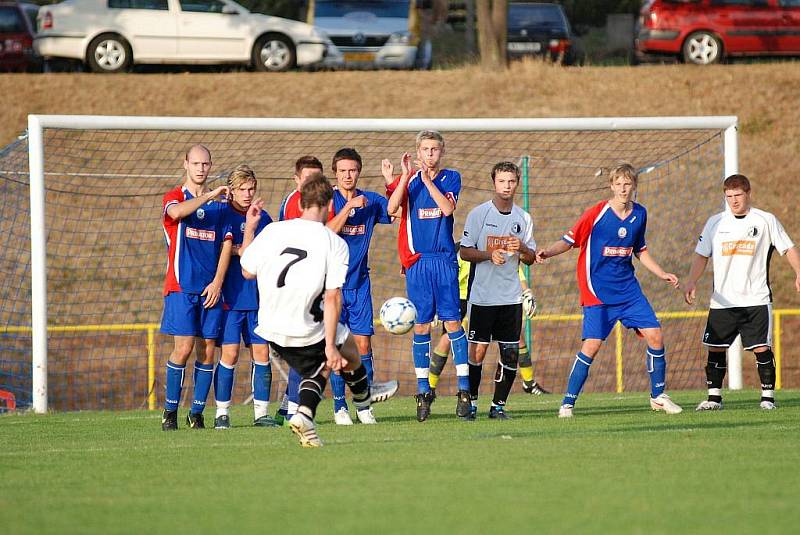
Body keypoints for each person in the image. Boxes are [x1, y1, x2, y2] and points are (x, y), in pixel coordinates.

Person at [536, 163, 683, 418]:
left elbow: (640, 250)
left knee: (656, 335)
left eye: (628, 184)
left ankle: (658, 396)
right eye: (619, 184)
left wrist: (662, 274)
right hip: (597, 292)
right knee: (591, 347)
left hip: (628, 291)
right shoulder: (596, 213)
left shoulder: (640, 214)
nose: (623, 189)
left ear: (634, 185)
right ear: (611, 186)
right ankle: (567, 404)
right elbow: (569, 241)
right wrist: (547, 252)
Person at [240, 173, 373, 447]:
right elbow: (334, 297)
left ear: (300, 202)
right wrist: (330, 346)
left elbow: (246, 271)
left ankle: (306, 415)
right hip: (304, 329)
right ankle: (362, 394)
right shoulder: (334, 242)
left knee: (319, 369)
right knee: (342, 350)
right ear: (328, 205)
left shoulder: (273, 230)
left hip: (269, 329)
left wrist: (249, 228)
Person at [683, 174, 800, 411]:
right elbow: (701, 255)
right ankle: (714, 398)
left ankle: (767, 398)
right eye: (729, 196)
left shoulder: (766, 220)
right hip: (722, 301)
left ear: (748, 193)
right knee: (714, 348)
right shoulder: (715, 222)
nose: (734, 201)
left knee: (761, 348)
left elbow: (788, 248)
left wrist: (798, 272)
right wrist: (691, 281)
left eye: (738, 195)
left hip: (755, 299)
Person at [384, 130, 470, 422]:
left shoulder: (451, 178)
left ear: (441, 152)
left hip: (444, 260)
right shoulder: (409, 182)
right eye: (425, 149)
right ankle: (423, 393)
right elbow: (392, 207)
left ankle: (464, 390)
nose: (430, 154)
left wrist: (428, 182)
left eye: (434, 149)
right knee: (421, 327)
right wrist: (407, 176)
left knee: (452, 322)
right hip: (418, 263)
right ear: (417, 152)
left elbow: (447, 208)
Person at [160, 144, 232, 431]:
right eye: (196, 163)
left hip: (210, 289)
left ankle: (197, 413)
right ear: (185, 164)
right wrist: (209, 196)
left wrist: (217, 282)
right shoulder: (176, 196)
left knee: (208, 350)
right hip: (181, 287)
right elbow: (176, 214)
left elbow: (226, 246)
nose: (201, 169)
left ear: (210, 166)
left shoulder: (219, 208)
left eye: (206, 164)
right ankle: (169, 412)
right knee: (184, 348)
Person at [326, 147, 398, 425]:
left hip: (359, 285)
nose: (348, 175)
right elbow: (324, 232)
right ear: (335, 173)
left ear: (359, 172)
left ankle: (364, 406)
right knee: (335, 346)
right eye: (342, 170)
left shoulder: (370, 200)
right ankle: (339, 407)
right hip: (332, 288)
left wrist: (392, 181)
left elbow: (395, 210)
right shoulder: (328, 200)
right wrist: (347, 208)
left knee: (363, 345)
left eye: (352, 170)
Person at [459, 162, 537, 420]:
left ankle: (498, 406)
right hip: (482, 297)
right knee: (478, 352)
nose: (507, 186)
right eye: (502, 181)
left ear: (517, 183)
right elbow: (465, 251)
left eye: (511, 181)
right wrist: (488, 255)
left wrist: (523, 248)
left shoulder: (523, 218)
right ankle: (470, 404)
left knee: (510, 352)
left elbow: (530, 258)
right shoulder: (479, 214)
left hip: (510, 297)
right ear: (494, 183)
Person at [212, 165, 277, 429]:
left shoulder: (264, 218)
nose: (248, 194)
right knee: (229, 354)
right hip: (230, 298)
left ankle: (261, 414)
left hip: (258, 299)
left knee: (262, 353)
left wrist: (238, 250)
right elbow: (217, 250)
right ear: (232, 190)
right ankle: (221, 414)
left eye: (251, 189)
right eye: (242, 189)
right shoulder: (221, 214)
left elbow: (267, 253)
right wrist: (240, 250)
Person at [274, 156, 326, 424]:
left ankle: (289, 404)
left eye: (317, 178)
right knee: (307, 345)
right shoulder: (298, 204)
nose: (312, 183)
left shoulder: (316, 201)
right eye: (307, 178)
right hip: (297, 287)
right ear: (297, 180)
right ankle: (295, 407)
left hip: (310, 284)